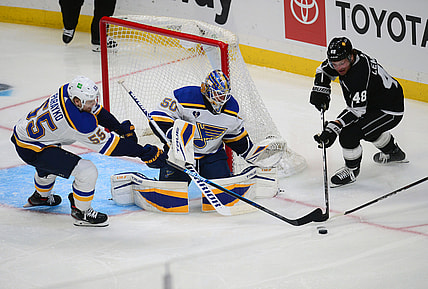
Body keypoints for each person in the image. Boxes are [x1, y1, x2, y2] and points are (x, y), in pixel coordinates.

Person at [11, 76, 167, 226]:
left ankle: (41, 197)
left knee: (52, 156)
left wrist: (118, 128)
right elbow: (110, 146)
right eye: (90, 102)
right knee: (87, 171)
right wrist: (144, 153)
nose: (94, 104)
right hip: (31, 147)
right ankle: (82, 212)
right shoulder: (78, 123)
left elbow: (97, 112)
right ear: (78, 102)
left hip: (29, 135)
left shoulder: (68, 91)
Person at [310, 37, 407, 187]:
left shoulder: (359, 74)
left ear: (350, 56)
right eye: (335, 64)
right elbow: (323, 70)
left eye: (342, 63)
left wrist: (334, 127)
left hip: (390, 109)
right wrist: (320, 88)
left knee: (349, 134)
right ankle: (394, 153)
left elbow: (356, 111)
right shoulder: (346, 59)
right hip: (374, 102)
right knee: (369, 130)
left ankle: (351, 171)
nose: (338, 68)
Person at [150, 70, 256, 182]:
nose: (221, 99)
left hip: (212, 156)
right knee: (170, 194)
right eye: (218, 94)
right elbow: (158, 117)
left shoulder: (232, 108)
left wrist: (249, 152)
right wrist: (173, 135)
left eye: (224, 95)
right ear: (207, 90)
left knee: (222, 193)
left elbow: (235, 136)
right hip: (179, 155)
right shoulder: (184, 96)